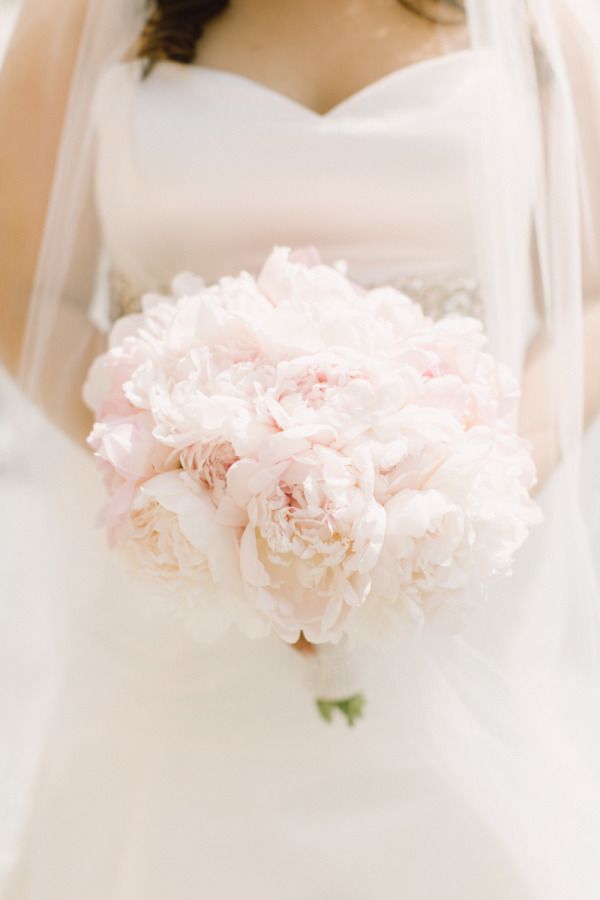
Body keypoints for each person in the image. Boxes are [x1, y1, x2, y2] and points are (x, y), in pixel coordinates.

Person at [0, 1, 599, 897]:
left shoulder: (535, 16)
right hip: (174, 622)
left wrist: (456, 492)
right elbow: (23, 296)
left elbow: (589, 296)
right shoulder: (82, 13)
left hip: (448, 593)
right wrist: (191, 492)